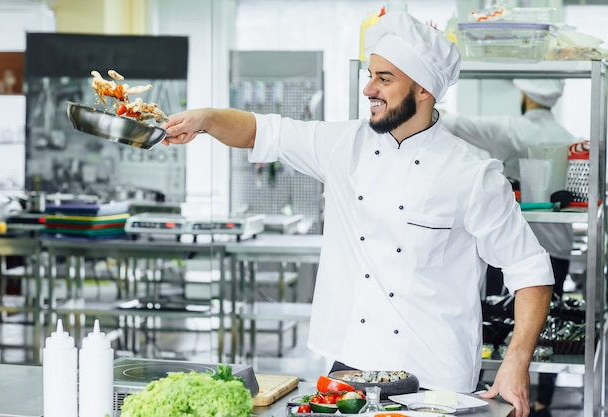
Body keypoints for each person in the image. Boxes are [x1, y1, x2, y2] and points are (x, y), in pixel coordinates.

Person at [162, 11, 553, 417]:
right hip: (349, 369)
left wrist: (516, 360)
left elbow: (530, 270)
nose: (369, 88)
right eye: (370, 75)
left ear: (422, 89)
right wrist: (204, 119)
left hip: (435, 380)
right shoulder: (343, 145)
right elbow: (262, 131)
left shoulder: (472, 174)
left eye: (385, 79)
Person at [443, 79, 576, 417]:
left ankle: (493, 388)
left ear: (526, 95)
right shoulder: (567, 138)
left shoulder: (511, 130)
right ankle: (544, 397)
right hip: (558, 250)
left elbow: (455, 122)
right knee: (548, 326)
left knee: (497, 319)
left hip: (507, 251)